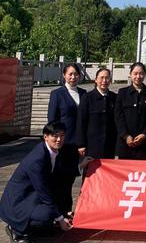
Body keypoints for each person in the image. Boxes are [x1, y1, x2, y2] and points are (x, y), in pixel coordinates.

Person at [0, 122, 80, 243]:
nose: (59, 139)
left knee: (53, 209)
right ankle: (17, 229)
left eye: (62, 135)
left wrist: (81, 165)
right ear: (45, 136)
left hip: (31, 196)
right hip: (18, 202)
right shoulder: (37, 159)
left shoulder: (53, 151)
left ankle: (37, 228)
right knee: (46, 215)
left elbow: (61, 174)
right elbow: (44, 191)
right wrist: (60, 218)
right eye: (55, 136)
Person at [47, 63, 86, 215]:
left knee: (70, 179)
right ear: (64, 75)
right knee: (59, 178)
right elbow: (52, 120)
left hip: (78, 144)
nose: (73, 77)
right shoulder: (57, 94)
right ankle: (58, 212)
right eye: (70, 74)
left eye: (76, 74)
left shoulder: (84, 94)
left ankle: (67, 211)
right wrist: (54, 141)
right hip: (62, 143)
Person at [114, 62, 146, 160]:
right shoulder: (122, 92)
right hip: (125, 142)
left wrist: (144, 134)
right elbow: (118, 116)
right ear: (130, 74)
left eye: (141, 73)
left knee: (140, 173)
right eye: (135, 73)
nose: (138, 76)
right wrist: (126, 136)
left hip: (142, 142)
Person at [76, 67, 117, 159]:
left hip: (109, 144)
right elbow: (81, 122)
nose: (104, 80)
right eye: (101, 78)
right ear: (96, 80)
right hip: (92, 144)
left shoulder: (115, 98)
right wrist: (81, 144)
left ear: (110, 80)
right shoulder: (87, 97)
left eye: (107, 78)